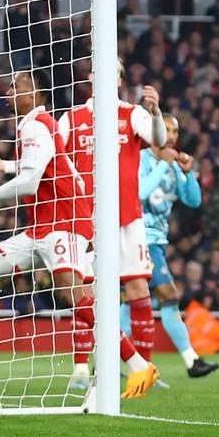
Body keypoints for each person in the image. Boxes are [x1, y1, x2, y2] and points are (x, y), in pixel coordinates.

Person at [0, 69, 159, 399]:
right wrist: (5, 167)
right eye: (11, 85)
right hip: (41, 228)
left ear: (38, 95)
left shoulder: (36, 124)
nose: (10, 90)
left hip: (64, 224)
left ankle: (139, 364)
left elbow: (29, 182)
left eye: (19, 86)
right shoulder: (41, 126)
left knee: (74, 297)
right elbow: (47, 167)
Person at [60, 67, 167, 364]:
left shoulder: (132, 114)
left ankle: (144, 367)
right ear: (90, 78)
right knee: (85, 292)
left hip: (127, 219)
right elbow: (53, 160)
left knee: (137, 287)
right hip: (85, 221)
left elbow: (158, 140)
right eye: (97, 71)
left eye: (112, 72)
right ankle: (81, 368)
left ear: (119, 79)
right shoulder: (72, 118)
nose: (104, 77)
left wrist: (156, 113)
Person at [137, 115, 219, 377]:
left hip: (157, 242)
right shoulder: (141, 159)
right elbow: (141, 192)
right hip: (139, 238)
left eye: (175, 130)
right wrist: (164, 164)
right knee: (169, 297)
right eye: (167, 130)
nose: (172, 135)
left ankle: (117, 367)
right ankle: (191, 361)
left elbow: (193, 200)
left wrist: (187, 173)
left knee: (130, 304)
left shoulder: (172, 165)